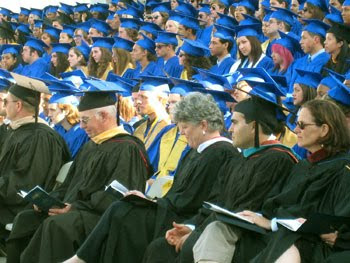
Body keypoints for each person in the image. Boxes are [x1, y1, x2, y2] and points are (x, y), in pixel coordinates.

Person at [64, 92, 240, 263]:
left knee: (123, 212)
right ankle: (81, 258)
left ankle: (81, 258)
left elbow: (192, 201)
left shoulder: (221, 154)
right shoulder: (195, 152)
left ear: (203, 125)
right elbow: (178, 195)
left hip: (183, 218)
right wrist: (148, 200)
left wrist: (155, 204)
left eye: (185, 127)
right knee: (123, 207)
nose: (182, 133)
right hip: (172, 210)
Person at [142, 83, 298, 263]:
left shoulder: (276, 159)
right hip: (215, 227)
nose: (230, 129)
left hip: (246, 237)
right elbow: (219, 202)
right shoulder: (242, 158)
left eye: (235, 122)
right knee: (159, 246)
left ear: (254, 127)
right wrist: (193, 227)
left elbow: (243, 209)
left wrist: (195, 232)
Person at [7, 80, 152, 263]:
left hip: (101, 217)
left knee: (56, 226)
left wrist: (75, 207)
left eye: (85, 120)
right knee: (26, 218)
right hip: (76, 210)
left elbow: (119, 196)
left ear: (104, 116)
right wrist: (50, 201)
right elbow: (69, 185)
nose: (81, 126)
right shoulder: (91, 146)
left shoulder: (127, 148)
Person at [243, 99, 350, 263]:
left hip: (313, 246)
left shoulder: (343, 170)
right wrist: (268, 220)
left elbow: (336, 225)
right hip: (284, 235)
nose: (295, 129)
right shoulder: (303, 166)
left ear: (324, 129)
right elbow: (277, 203)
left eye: (302, 124)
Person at [0, 80, 71, 236]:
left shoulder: (39, 137)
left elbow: (25, 183)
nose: (4, 105)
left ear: (18, 105)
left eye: (6, 101)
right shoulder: (15, 130)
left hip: (19, 208)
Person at [47, 86, 89, 158]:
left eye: (53, 110)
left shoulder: (81, 132)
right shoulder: (58, 130)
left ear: (66, 111)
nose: (49, 114)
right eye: (49, 110)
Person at [133, 76, 171, 149]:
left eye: (144, 97)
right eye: (138, 97)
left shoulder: (168, 127)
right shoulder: (140, 127)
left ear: (160, 99)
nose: (138, 101)